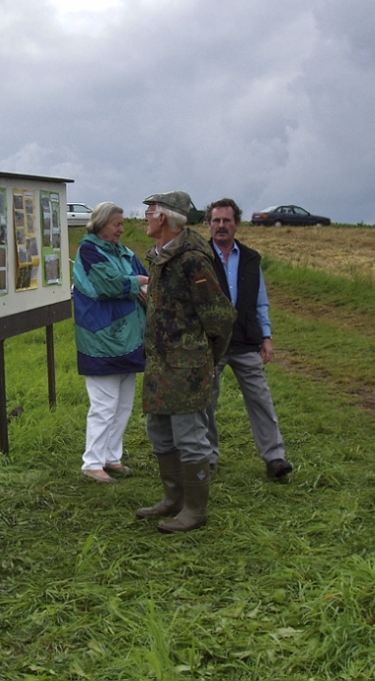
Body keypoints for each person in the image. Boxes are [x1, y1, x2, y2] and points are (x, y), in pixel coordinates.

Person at [136, 192, 236, 533]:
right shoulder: (162, 257)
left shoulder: (193, 259)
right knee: (160, 433)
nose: (146, 216)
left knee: (191, 438)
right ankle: (173, 499)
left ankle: (195, 510)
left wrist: (205, 360)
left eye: (150, 211)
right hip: (161, 365)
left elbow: (220, 319)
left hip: (186, 369)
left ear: (163, 218)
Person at [204, 198, 293, 480]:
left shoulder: (251, 258)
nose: (221, 226)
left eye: (226, 221)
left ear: (237, 224)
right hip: (212, 343)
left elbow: (260, 301)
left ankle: (275, 458)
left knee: (261, 399)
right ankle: (207, 458)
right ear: (208, 225)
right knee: (206, 402)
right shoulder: (200, 257)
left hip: (246, 341)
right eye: (216, 221)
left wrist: (266, 336)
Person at [73, 202, 149, 483]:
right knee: (104, 406)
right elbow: (108, 284)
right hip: (100, 339)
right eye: (117, 223)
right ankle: (92, 462)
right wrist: (136, 283)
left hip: (129, 339)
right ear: (101, 223)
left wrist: (139, 283)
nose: (121, 228)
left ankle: (111, 457)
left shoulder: (124, 252)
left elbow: (144, 280)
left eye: (121, 224)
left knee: (123, 405)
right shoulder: (88, 251)